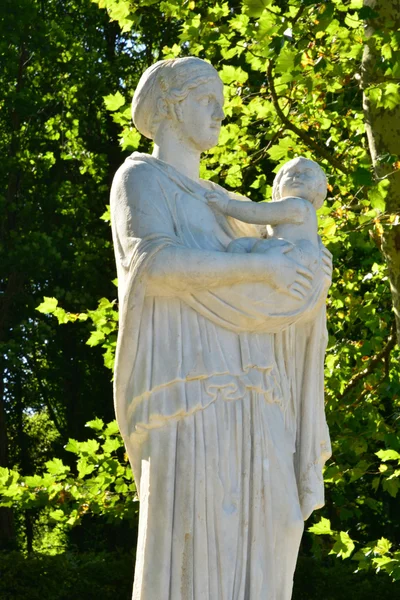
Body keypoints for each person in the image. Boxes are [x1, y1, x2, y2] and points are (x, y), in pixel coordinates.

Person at [110, 57, 332, 600]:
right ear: (169, 103)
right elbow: (155, 266)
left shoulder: (223, 209)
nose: (221, 110)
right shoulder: (140, 178)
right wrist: (265, 267)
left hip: (258, 396)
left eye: (221, 99)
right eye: (205, 96)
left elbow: (270, 305)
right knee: (195, 545)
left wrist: (310, 282)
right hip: (190, 396)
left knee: (276, 531)